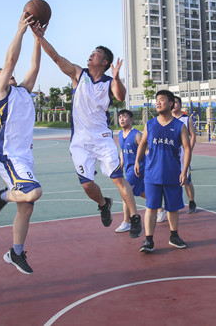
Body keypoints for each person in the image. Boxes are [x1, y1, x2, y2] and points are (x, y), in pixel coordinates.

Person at [31, 25, 142, 238]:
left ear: (105, 62)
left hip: (102, 139)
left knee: (118, 178)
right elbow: (56, 58)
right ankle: (103, 204)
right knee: (88, 186)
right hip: (80, 142)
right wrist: (40, 37)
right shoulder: (78, 74)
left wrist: (117, 78)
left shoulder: (109, 82)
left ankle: (134, 217)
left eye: (96, 53)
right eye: (92, 52)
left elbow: (120, 96)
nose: (91, 55)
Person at [0, 13, 43, 275]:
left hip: (25, 157)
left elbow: (34, 66)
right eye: (1, 75)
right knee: (33, 192)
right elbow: (10, 61)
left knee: (27, 207)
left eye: (7, 74)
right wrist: (20, 30)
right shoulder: (0, 94)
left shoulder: (23, 91)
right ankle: (2, 196)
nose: (7, 74)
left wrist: (38, 39)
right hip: (8, 156)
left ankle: (15, 253)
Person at [135, 90, 192, 253]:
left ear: (171, 103)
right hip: (152, 174)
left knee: (172, 208)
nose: (158, 103)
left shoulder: (179, 126)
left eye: (162, 99)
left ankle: (174, 236)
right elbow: (143, 143)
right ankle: (148, 240)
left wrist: (184, 170)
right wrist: (138, 160)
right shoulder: (150, 124)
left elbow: (187, 148)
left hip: (172, 173)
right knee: (151, 207)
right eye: (157, 100)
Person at [115, 109, 146, 233]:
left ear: (131, 119)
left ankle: (127, 221)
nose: (122, 119)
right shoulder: (120, 134)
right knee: (141, 192)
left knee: (125, 193)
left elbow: (147, 150)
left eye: (124, 117)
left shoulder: (137, 135)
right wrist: (120, 166)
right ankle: (159, 207)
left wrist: (139, 162)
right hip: (128, 169)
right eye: (120, 117)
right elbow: (123, 152)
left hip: (138, 168)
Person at [171, 96, 197, 216]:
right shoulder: (167, 119)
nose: (174, 105)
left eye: (176, 102)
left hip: (182, 153)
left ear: (180, 105)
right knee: (171, 181)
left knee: (186, 179)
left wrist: (189, 150)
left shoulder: (186, 119)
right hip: (170, 154)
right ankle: (173, 204)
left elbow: (193, 135)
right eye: (172, 103)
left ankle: (191, 202)